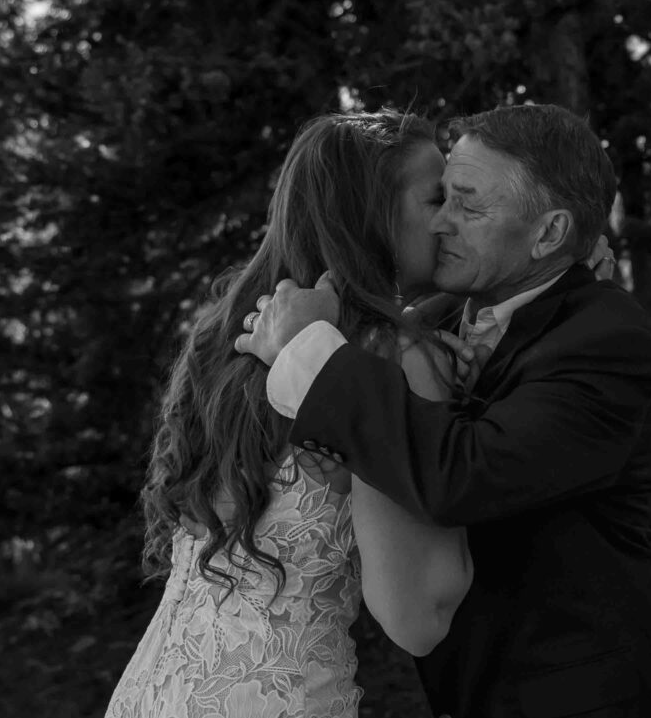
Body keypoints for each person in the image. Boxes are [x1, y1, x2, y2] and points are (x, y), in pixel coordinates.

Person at [237, 103, 651, 718]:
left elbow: (465, 475)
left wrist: (307, 352)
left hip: (574, 695)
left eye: (468, 206)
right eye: (441, 197)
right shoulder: (441, 316)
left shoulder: (607, 338)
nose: (440, 223)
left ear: (550, 234)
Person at [105, 110, 476, 718]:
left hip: (156, 691)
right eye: (436, 197)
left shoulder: (229, 337)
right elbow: (419, 617)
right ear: (369, 216)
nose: (450, 218)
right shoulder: (394, 358)